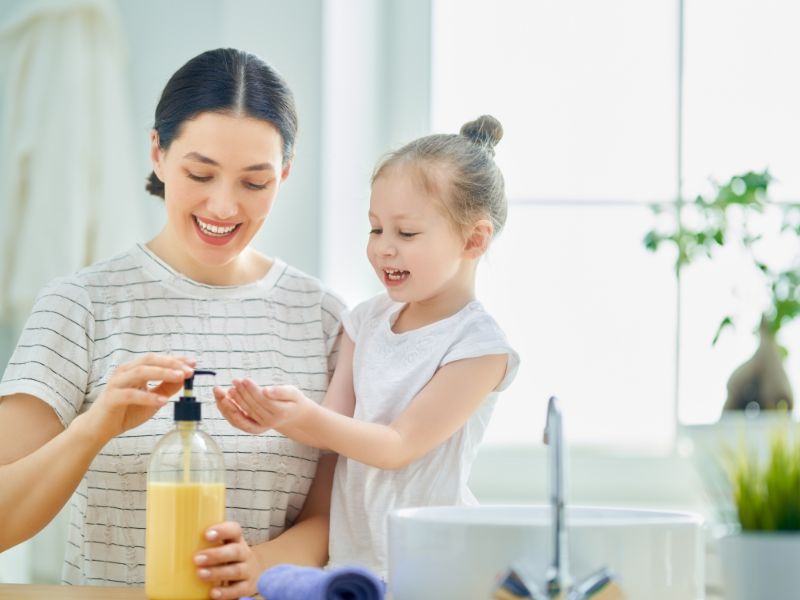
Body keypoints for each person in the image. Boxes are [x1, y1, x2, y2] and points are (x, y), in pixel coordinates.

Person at [0, 48, 345, 600]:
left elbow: (337, 513)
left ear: (285, 171)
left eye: (254, 183)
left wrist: (258, 564)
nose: (224, 206)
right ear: (158, 153)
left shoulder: (324, 318)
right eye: (200, 173)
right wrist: (96, 426)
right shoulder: (82, 305)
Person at [216, 115, 520, 576]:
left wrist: (302, 415)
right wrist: (272, 417)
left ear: (474, 239)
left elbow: (397, 446)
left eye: (407, 233)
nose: (383, 249)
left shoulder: (478, 349)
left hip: (438, 566)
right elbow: (334, 430)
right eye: (376, 229)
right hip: (354, 560)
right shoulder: (365, 321)